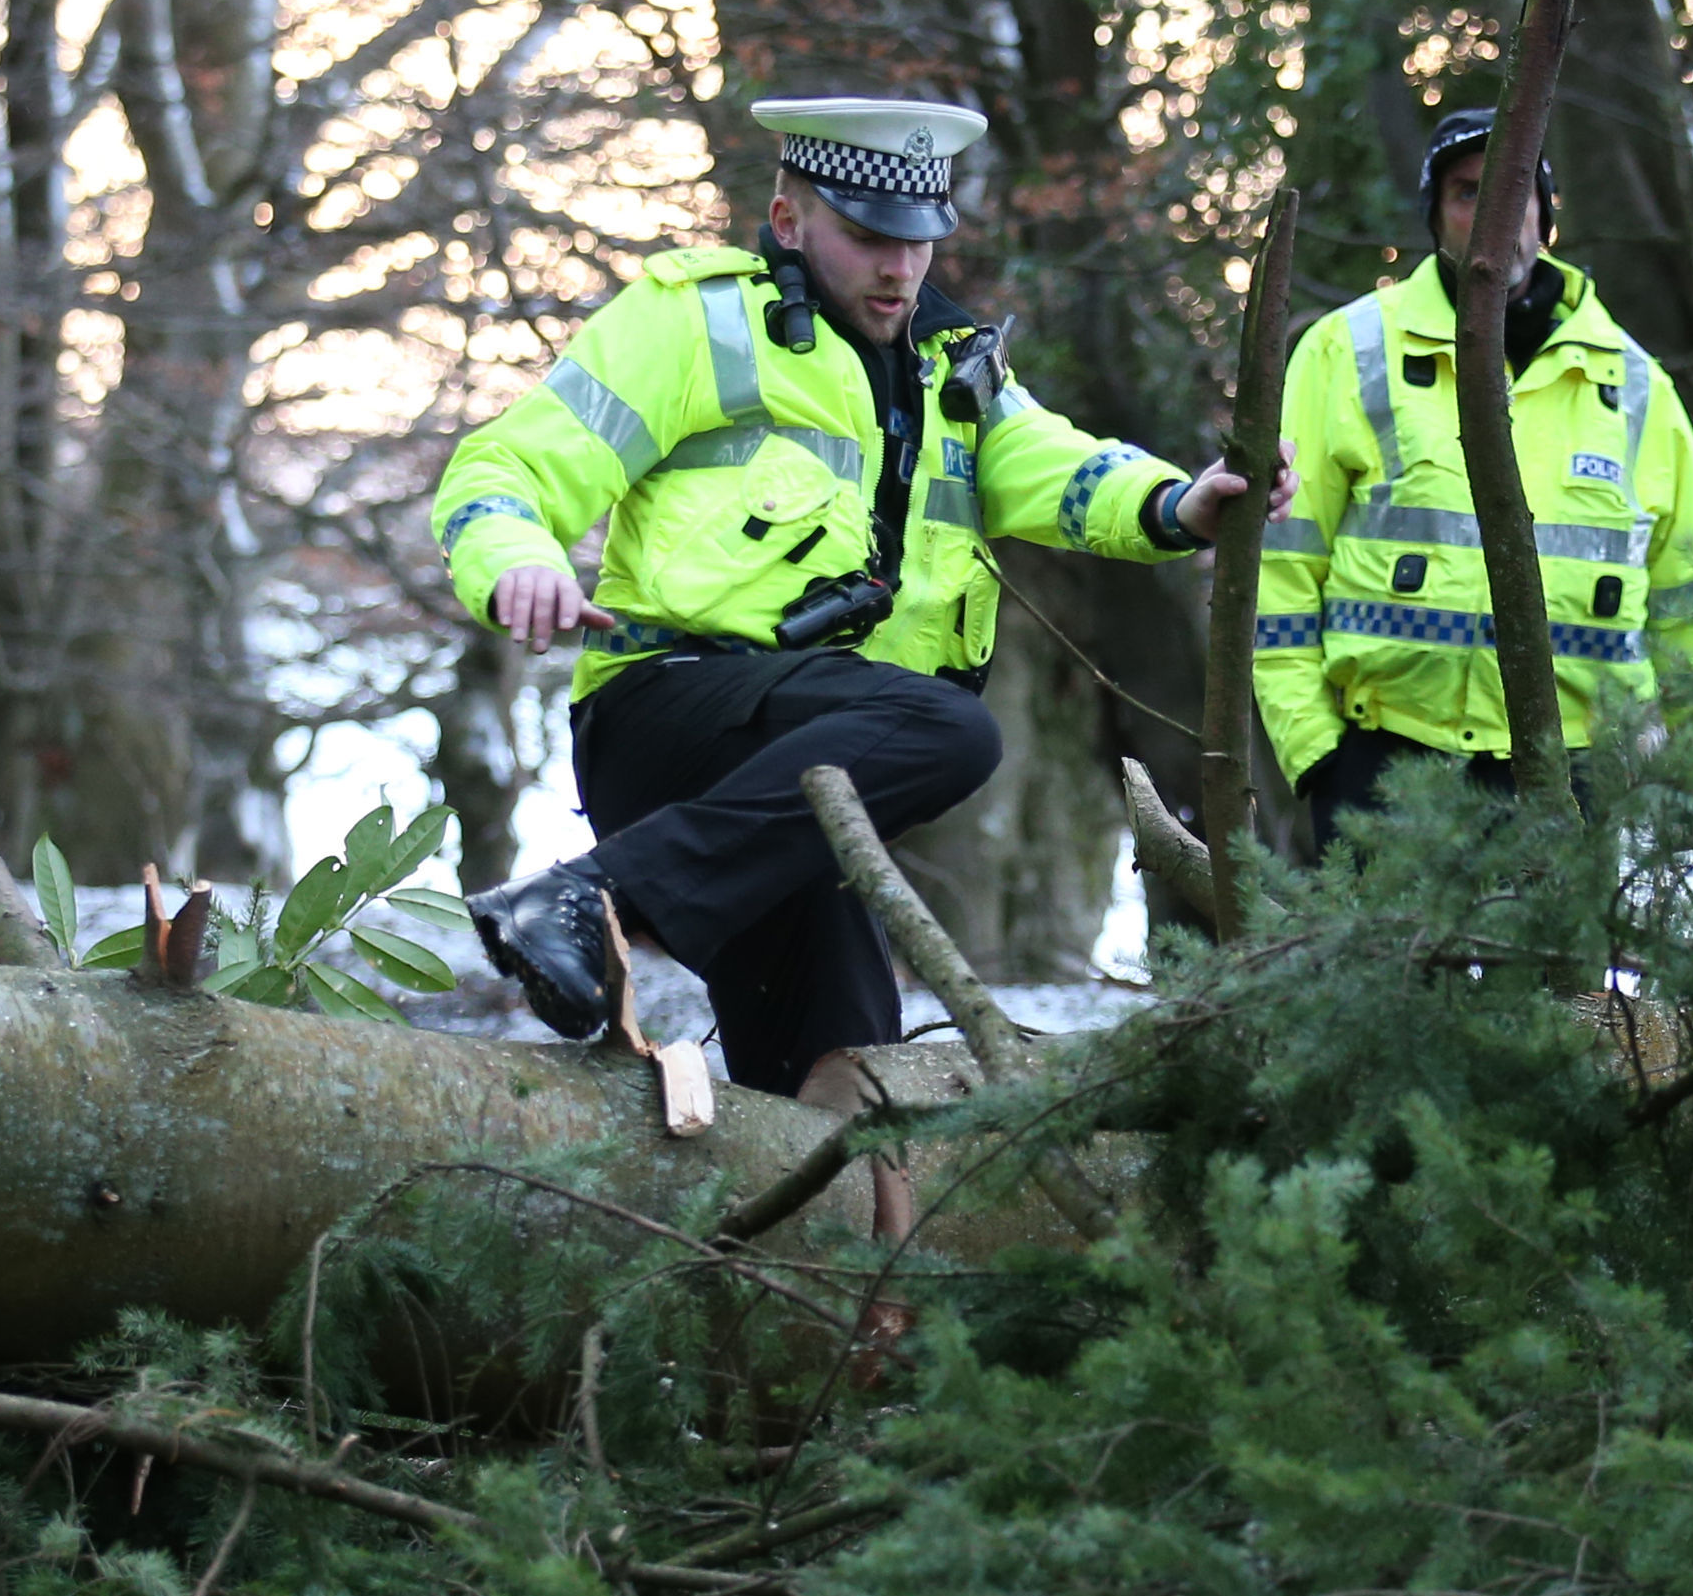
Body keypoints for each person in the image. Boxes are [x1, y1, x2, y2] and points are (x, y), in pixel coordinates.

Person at [432, 96, 1290, 1091]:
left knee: (848, 1068)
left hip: (804, 771)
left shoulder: (950, 367)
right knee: (950, 730)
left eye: (920, 240)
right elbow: (503, 467)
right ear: (789, 219)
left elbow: (1055, 468)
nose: (900, 268)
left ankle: (763, 1233)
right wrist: (516, 561)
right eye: (869, 236)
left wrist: (1180, 502)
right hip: (670, 712)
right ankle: (589, 898)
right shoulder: (692, 320)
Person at [1254, 109, 1693, 913]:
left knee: (1553, 1021)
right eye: (1468, 193)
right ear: (1435, 216)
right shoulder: (1344, 351)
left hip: (1572, 777)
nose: (1494, 212)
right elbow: (1281, 567)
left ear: (1547, 214)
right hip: (1384, 762)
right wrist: (1318, 756)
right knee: (1391, 1026)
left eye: (1514, 192)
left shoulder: (1633, 387)